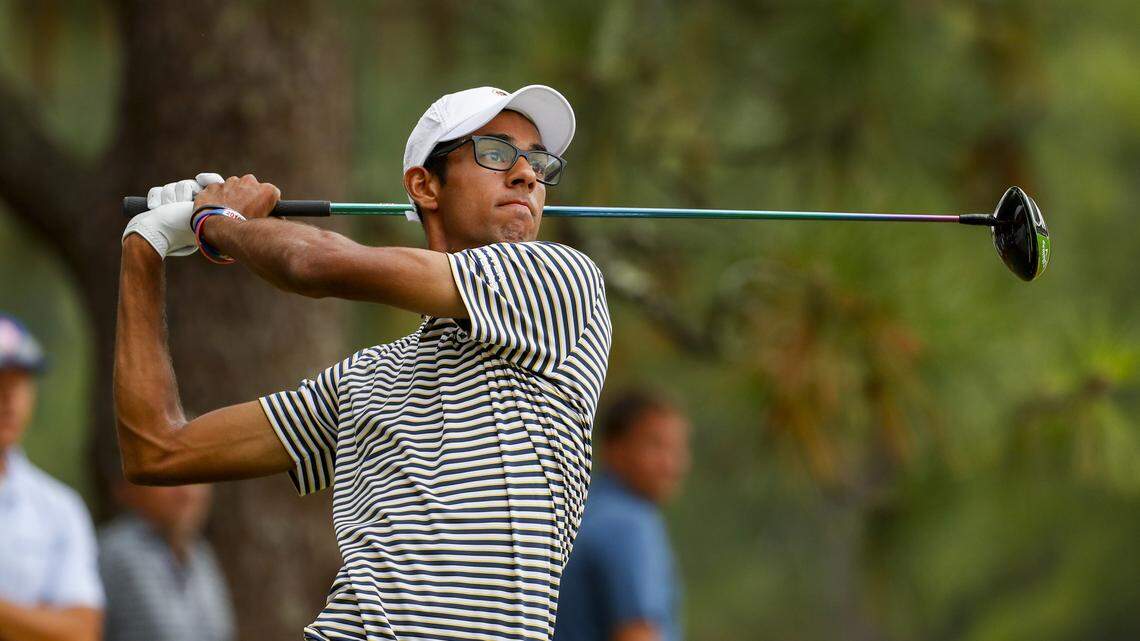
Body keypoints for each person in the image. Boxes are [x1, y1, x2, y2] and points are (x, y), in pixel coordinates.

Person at [114, 85, 611, 640]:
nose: (526, 175)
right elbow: (157, 450)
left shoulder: (560, 282)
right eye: (495, 152)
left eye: (539, 163)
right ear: (425, 185)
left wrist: (221, 224)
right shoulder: (368, 378)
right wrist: (145, 248)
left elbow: (315, 265)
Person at [554, 389, 692, 641]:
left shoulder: (578, 510)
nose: (671, 465)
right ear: (613, 448)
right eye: (655, 445)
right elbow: (636, 632)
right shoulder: (627, 524)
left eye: (677, 449)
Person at [0, 314, 104, 641]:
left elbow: (80, 631)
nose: (9, 400)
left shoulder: (59, 508)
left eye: (20, 383)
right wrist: (35, 618)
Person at [99, 481, 233, 641]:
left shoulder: (201, 555)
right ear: (132, 487)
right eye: (170, 481)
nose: (186, 492)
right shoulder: (114, 554)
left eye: (196, 479)